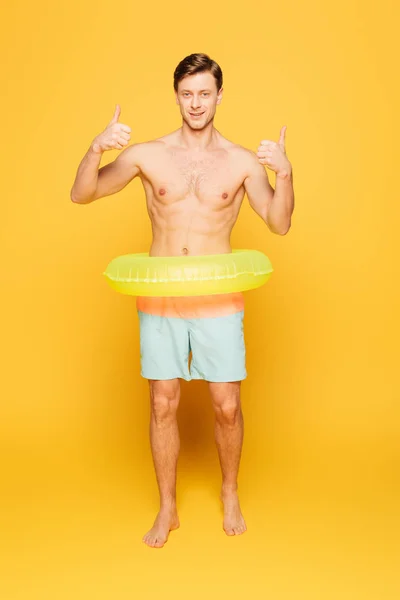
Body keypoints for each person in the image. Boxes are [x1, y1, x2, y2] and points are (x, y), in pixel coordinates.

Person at [70, 53, 294, 548]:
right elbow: (83, 194)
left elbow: (278, 223)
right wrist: (94, 149)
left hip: (218, 296)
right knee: (163, 402)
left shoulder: (239, 161)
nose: (196, 103)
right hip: (163, 298)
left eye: (204, 93)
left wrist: (286, 175)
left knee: (227, 406)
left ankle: (230, 492)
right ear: (177, 97)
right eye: (187, 94)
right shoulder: (148, 155)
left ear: (219, 96)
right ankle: (168, 506)